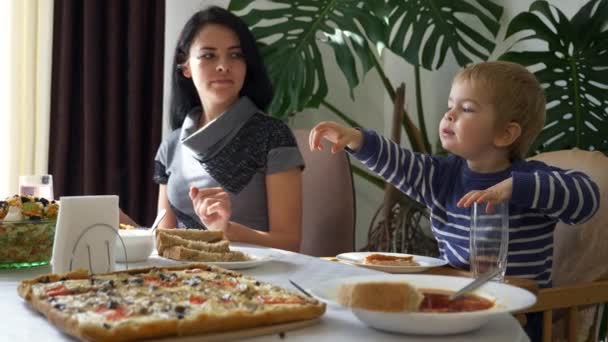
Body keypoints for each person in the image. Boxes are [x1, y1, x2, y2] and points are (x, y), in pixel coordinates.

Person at [310, 61, 600, 341]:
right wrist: (357, 140)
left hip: (516, 320)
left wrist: (516, 187)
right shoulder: (441, 176)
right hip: (456, 310)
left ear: (505, 133)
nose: (449, 115)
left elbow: (586, 198)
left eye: (467, 109)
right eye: (450, 106)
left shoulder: (532, 181)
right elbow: (400, 163)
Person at [123, 6, 304, 252]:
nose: (223, 66)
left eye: (235, 55)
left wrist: (226, 231)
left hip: (255, 278)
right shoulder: (172, 145)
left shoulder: (272, 136)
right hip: (184, 281)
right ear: (185, 66)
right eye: (209, 56)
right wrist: (122, 226)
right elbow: (164, 240)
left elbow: (289, 242)